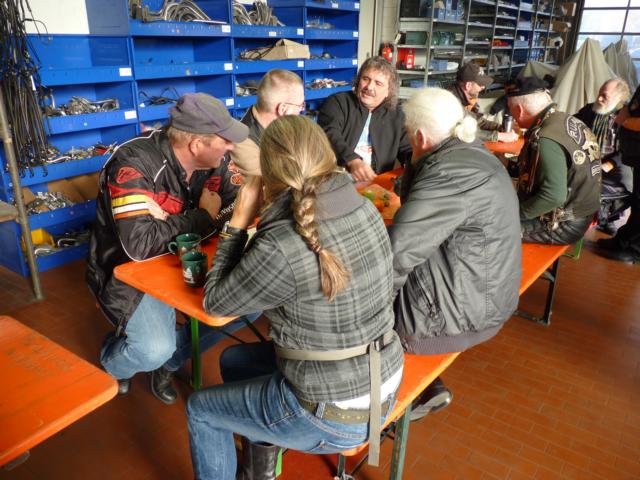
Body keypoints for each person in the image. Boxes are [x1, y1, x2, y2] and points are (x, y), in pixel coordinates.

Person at [187, 116, 404, 479]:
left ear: (268, 175)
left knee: (201, 409)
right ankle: (259, 472)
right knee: (235, 361)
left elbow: (216, 302)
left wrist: (237, 223)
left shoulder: (282, 243)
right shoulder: (364, 208)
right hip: (383, 374)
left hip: (334, 411)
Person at [87, 93, 259, 404]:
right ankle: (114, 361)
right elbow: (139, 245)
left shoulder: (215, 160)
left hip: (188, 258)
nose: (231, 147)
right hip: (128, 273)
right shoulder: (133, 164)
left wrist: (170, 221)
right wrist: (203, 216)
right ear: (197, 144)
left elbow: (239, 208)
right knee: (153, 349)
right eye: (225, 141)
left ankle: (171, 361)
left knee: (250, 303)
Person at [389, 87, 521, 420]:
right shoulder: (472, 153)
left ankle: (401, 395)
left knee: (359, 297)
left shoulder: (448, 172)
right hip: (488, 299)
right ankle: (428, 386)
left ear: (420, 137)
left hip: (459, 318)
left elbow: (398, 253)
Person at [508, 77, 602, 245]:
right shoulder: (566, 120)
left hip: (563, 224)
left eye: (510, 111)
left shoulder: (545, 138)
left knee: (488, 228)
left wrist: (514, 214)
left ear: (519, 110)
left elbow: (553, 196)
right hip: (581, 212)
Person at [317, 56, 412, 182]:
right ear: (358, 81)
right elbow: (329, 133)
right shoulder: (337, 102)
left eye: (378, 83)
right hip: (336, 180)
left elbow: (407, 149)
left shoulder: (397, 115)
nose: (369, 87)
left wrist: (418, 162)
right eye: (366, 79)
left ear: (388, 92)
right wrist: (352, 160)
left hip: (376, 182)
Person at [575, 78, 633, 234]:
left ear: (619, 98)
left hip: (614, 161)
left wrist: (610, 163)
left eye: (605, 96)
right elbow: (571, 124)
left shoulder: (626, 117)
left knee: (627, 184)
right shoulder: (589, 109)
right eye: (599, 94)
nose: (599, 98)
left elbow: (629, 147)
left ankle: (607, 218)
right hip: (586, 158)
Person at [593, 83, 640, 264]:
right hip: (635, 153)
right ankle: (623, 241)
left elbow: (626, 118)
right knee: (638, 202)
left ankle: (635, 250)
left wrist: (625, 120)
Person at [230, 69, 305, 177]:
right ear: (283, 109)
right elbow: (274, 184)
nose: (302, 110)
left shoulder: (281, 127)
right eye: (300, 105)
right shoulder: (243, 145)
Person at [450, 62, 519, 143]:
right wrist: (498, 136)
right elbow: (462, 132)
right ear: (468, 85)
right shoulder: (452, 103)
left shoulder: (467, 98)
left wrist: (500, 128)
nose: (483, 87)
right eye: (480, 84)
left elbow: (476, 120)